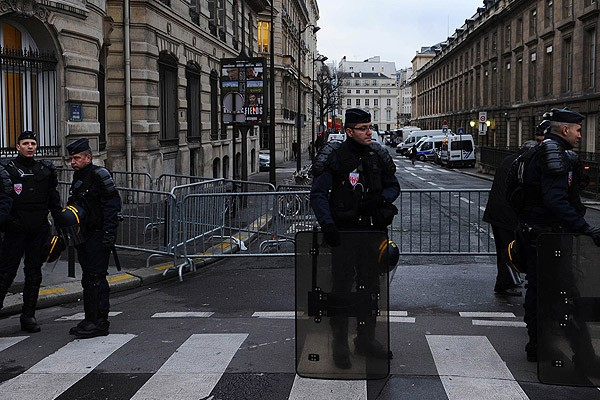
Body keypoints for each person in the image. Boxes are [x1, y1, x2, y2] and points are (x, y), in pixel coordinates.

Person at [310, 108, 400, 369]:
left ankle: (366, 339)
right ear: (349, 131)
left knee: (370, 289)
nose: (369, 132)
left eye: (370, 127)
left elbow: (394, 185)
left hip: (371, 234)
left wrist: (383, 200)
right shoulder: (335, 157)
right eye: (363, 128)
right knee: (341, 289)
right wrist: (327, 224)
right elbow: (318, 194)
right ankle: (339, 343)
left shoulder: (377, 155)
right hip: (344, 234)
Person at [511, 109, 600, 365]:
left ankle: (540, 345)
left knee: (541, 291)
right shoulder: (552, 152)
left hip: (536, 234)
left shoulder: (539, 151)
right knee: (562, 293)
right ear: (565, 129)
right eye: (578, 130)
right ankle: (581, 355)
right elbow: (555, 200)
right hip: (547, 237)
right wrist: (584, 227)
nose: (580, 135)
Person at [59, 138, 121, 339]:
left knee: (97, 278)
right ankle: (90, 319)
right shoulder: (78, 176)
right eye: (71, 159)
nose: (73, 162)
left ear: (89, 157)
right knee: (88, 278)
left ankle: (100, 322)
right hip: (84, 235)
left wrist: (109, 234)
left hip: (99, 234)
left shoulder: (99, 175)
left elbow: (112, 206)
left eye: (77, 158)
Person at [0, 131, 62, 332]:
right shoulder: (7, 169)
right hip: (15, 231)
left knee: (34, 274)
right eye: (25, 143)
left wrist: (61, 224)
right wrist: (8, 222)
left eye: (33, 143)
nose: (29, 146)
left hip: (38, 231)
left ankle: (28, 316)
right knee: (6, 274)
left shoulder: (44, 170)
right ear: (17, 146)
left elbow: (53, 199)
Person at [482, 140, 537, 297]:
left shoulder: (509, 160)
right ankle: (504, 284)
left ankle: (509, 280)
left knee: (503, 249)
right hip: (507, 215)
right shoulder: (521, 164)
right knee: (508, 250)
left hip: (496, 213)